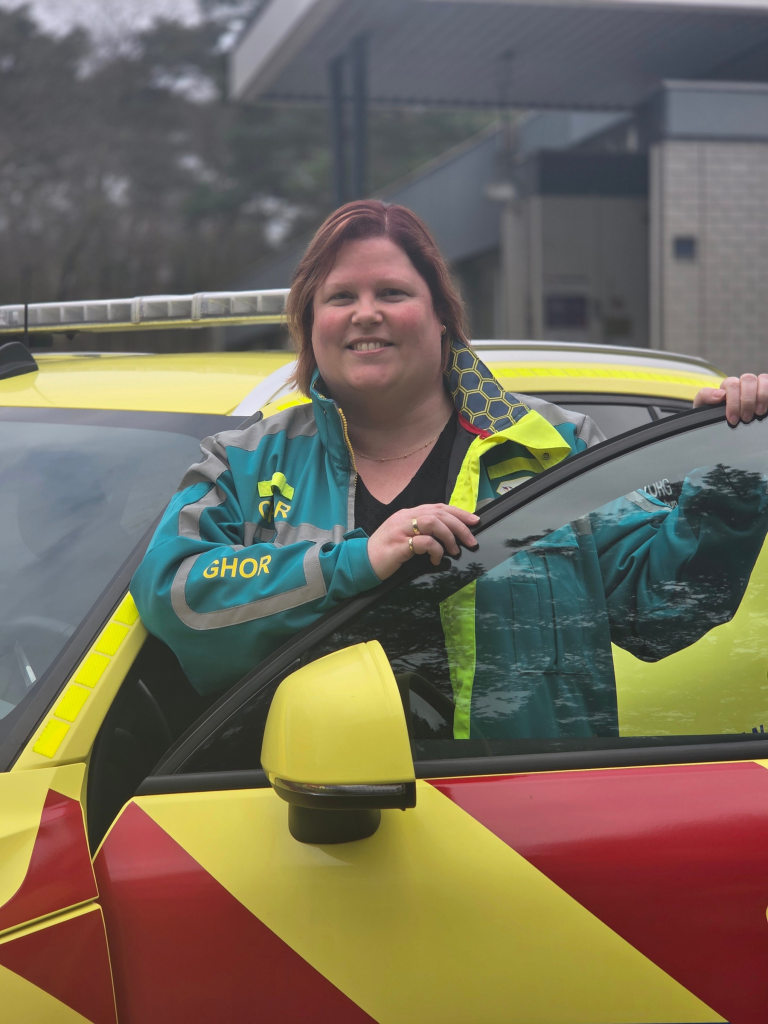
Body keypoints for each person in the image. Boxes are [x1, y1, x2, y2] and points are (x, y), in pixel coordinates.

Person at [131, 200, 768, 707]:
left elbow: (658, 612)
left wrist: (736, 470)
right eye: (340, 297)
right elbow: (174, 593)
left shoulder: (551, 445)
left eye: (393, 293)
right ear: (310, 323)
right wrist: (354, 562)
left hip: (510, 823)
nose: (366, 314)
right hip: (295, 827)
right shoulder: (244, 462)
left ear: (440, 316)